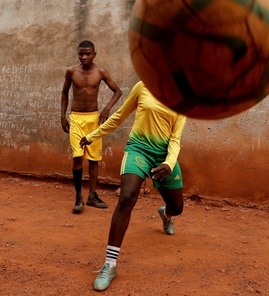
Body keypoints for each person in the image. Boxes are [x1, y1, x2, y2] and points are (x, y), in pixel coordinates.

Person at [79, 80, 187, 292]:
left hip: (165, 156)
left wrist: (168, 163)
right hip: (138, 149)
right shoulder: (143, 86)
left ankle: (166, 214)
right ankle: (110, 265)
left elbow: (176, 139)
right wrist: (93, 136)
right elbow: (119, 116)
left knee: (178, 208)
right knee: (127, 196)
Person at [61, 40, 122, 214]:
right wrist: (62, 116)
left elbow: (117, 91)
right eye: (81, 54)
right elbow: (64, 93)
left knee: (94, 158)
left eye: (88, 53)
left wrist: (107, 109)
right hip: (77, 119)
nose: (84, 57)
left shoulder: (100, 72)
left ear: (95, 54)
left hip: (94, 120)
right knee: (78, 157)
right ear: (78, 54)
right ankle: (78, 196)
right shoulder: (71, 71)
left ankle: (92, 195)